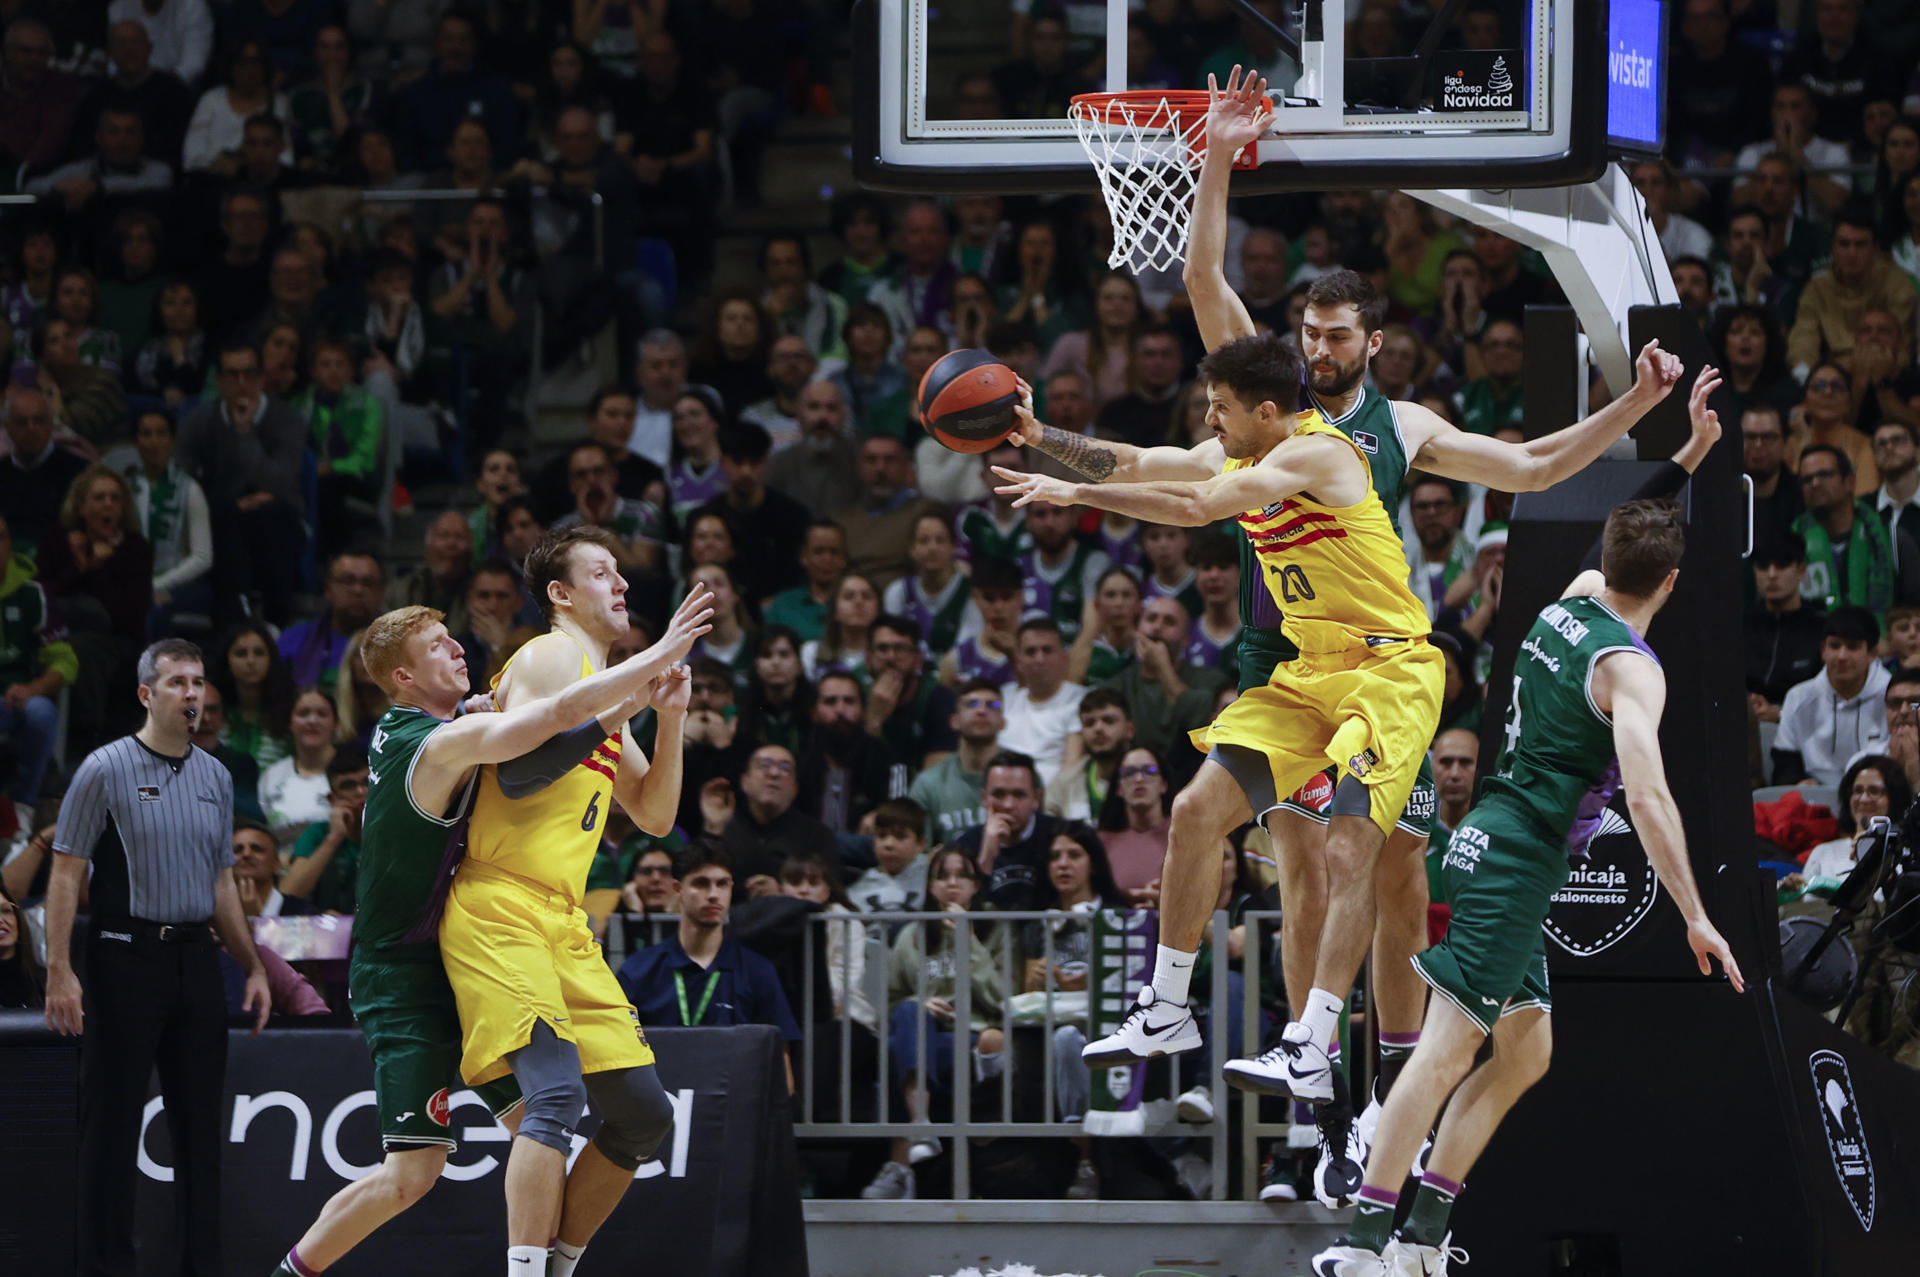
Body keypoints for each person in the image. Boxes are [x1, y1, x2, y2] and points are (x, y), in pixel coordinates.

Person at [1006, 69, 1683, 1210]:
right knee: (1277, 852)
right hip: (1287, 655)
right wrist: (1218, 154)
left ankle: (1363, 1088)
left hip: (1384, 652)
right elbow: (1198, 305)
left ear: (1374, 340)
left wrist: (1626, 415)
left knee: (1383, 856)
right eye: (1306, 333)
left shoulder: (1389, 428)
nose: (1315, 347)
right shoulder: (1261, 395)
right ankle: (1308, 1099)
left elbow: (1520, 468)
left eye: (1334, 335)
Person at [1309, 500, 1745, 1277]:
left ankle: (1423, 1235)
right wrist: (1696, 913)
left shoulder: (1570, 597)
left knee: (1526, 1051)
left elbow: (1614, 550)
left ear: (1609, 557)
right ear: (1672, 582)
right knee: (1444, 1054)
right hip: (1517, 861)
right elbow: (1647, 798)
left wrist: (1683, 455)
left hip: (1495, 837)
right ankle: (1364, 1242)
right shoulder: (1634, 671)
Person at [262, 595, 699, 1277]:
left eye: (451, 637)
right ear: (402, 679)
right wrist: (650, 667)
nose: (458, 648)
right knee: (412, 1172)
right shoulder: (432, 742)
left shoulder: (453, 719)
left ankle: (547, 1266)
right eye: (437, 645)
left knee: (546, 1124)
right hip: (401, 973)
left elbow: (546, 751)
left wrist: (636, 710)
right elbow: (553, 719)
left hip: (459, 943)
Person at [431, 532, 712, 1277]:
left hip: (561, 920)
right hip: (499, 902)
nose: (620, 582)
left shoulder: (605, 687)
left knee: (644, 1114)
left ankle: (559, 1264)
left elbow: (654, 815)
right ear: (560, 593)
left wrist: (670, 717)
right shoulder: (552, 657)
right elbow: (519, 775)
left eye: (621, 571)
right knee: (554, 1097)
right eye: (600, 571)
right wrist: (641, 679)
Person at [42, 639, 271, 1277]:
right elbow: (64, 874)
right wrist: (60, 968)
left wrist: (251, 964)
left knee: (200, 1131)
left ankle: (202, 1265)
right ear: (147, 694)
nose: (192, 694)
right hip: (121, 956)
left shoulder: (216, 776)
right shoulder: (105, 768)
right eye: (177, 682)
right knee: (111, 1128)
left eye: (198, 682)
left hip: (196, 958)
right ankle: (106, 1266)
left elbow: (222, 881)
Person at [861, 848, 1007, 1200]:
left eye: (962, 875)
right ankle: (921, 1125)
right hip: (926, 1040)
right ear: (930, 886)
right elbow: (892, 1003)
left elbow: (1003, 999)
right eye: (942, 875)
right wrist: (920, 1004)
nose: (952, 883)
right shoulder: (912, 933)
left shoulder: (995, 929)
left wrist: (967, 941)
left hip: (972, 1039)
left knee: (898, 1052)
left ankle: (900, 1168)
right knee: (908, 1017)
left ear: (975, 886)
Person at [615, 841, 801, 1052]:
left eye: (722, 884)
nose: (713, 894)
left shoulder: (757, 971)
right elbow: (617, 1050)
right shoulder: (639, 971)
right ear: (678, 889)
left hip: (733, 1085)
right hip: (660, 1085)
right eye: (701, 883)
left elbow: (779, 1060)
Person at [175, 340, 309, 626]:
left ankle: (276, 624)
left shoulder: (287, 419)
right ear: (219, 381)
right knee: (225, 517)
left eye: (249, 374)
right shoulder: (198, 421)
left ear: (261, 378)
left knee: (271, 515)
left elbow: (280, 484)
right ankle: (233, 625)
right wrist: (232, 502)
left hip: (278, 518)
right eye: (232, 375)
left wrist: (245, 433)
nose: (241, 383)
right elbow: (181, 484)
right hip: (220, 518)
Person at [0, 513, 77, 823]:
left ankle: (24, 806)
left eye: (1, 537)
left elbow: (65, 660)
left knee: (42, 713)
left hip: (21, 697)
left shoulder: (34, 594)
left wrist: (34, 689)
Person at [1793, 444, 1920, 618]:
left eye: (1825, 475)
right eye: (1807, 479)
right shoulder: (1792, 542)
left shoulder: (1892, 539)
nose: (1815, 483)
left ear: (1850, 482)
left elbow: (1914, 608)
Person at [701, 743, 840, 897]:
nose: (774, 773)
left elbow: (831, 893)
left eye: (785, 768)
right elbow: (700, 885)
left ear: (795, 789)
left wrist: (782, 895)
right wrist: (713, 829)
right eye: (764, 765)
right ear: (744, 782)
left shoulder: (818, 837)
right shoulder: (725, 828)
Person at [1773, 607, 1892, 785]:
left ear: (1872, 654)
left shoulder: (1895, 697)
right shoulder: (1798, 697)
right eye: (1834, 646)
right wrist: (1800, 781)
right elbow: (1784, 765)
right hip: (1815, 802)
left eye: (1853, 647)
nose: (1842, 656)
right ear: (1823, 650)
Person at [953, 750, 1071, 910]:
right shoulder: (965, 845)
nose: (1008, 805)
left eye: (1019, 795)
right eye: (999, 794)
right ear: (984, 799)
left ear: (1036, 799)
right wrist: (986, 857)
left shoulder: (1062, 836)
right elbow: (962, 911)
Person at [908, 679, 1004, 845]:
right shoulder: (928, 784)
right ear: (954, 721)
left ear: (1003, 722)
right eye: (971, 704)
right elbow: (916, 854)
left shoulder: (1023, 778)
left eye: (992, 705)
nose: (981, 710)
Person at [996, 618, 1087, 787]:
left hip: (1055, 798)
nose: (1039, 659)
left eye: (1047, 650)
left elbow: (1072, 765)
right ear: (1019, 661)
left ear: (1063, 657)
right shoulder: (1003, 698)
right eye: (1031, 652)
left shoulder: (1081, 700)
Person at [1746, 536, 1828, 720]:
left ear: (1801, 571)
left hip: (1805, 727)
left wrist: (1780, 713)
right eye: (1763, 566)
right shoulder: (1740, 627)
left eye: (1781, 565)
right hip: (1746, 724)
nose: (1772, 574)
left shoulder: (1822, 629)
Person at [281, 552, 386, 692]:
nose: (358, 590)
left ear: (381, 591)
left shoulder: (403, 647)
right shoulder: (293, 642)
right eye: (348, 581)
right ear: (328, 589)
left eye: (368, 583)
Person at [256, 686, 339, 844]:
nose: (312, 721)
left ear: (335, 722)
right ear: (290, 723)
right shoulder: (272, 776)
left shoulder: (353, 772)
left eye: (322, 714)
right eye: (303, 713)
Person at [1045, 686, 1134, 823]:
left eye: (1108, 720)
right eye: (1089, 723)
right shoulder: (1064, 782)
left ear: (1129, 730)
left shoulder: (1150, 777)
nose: (1098, 728)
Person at [938, 555, 1025, 690]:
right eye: (989, 598)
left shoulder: (1039, 652)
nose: (998, 607)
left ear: (1021, 597)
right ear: (976, 597)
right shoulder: (956, 660)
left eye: (1006, 597)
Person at [763, 520, 849, 643]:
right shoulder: (783, 604)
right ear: (804, 556)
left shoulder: (857, 601)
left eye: (834, 552)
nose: (827, 559)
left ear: (844, 558)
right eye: (818, 552)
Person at [847, 797, 933, 912]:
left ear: (921, 843)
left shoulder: (932, 883)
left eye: (900, 836)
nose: (889, 844)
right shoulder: (856, 891)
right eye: (881, 836)